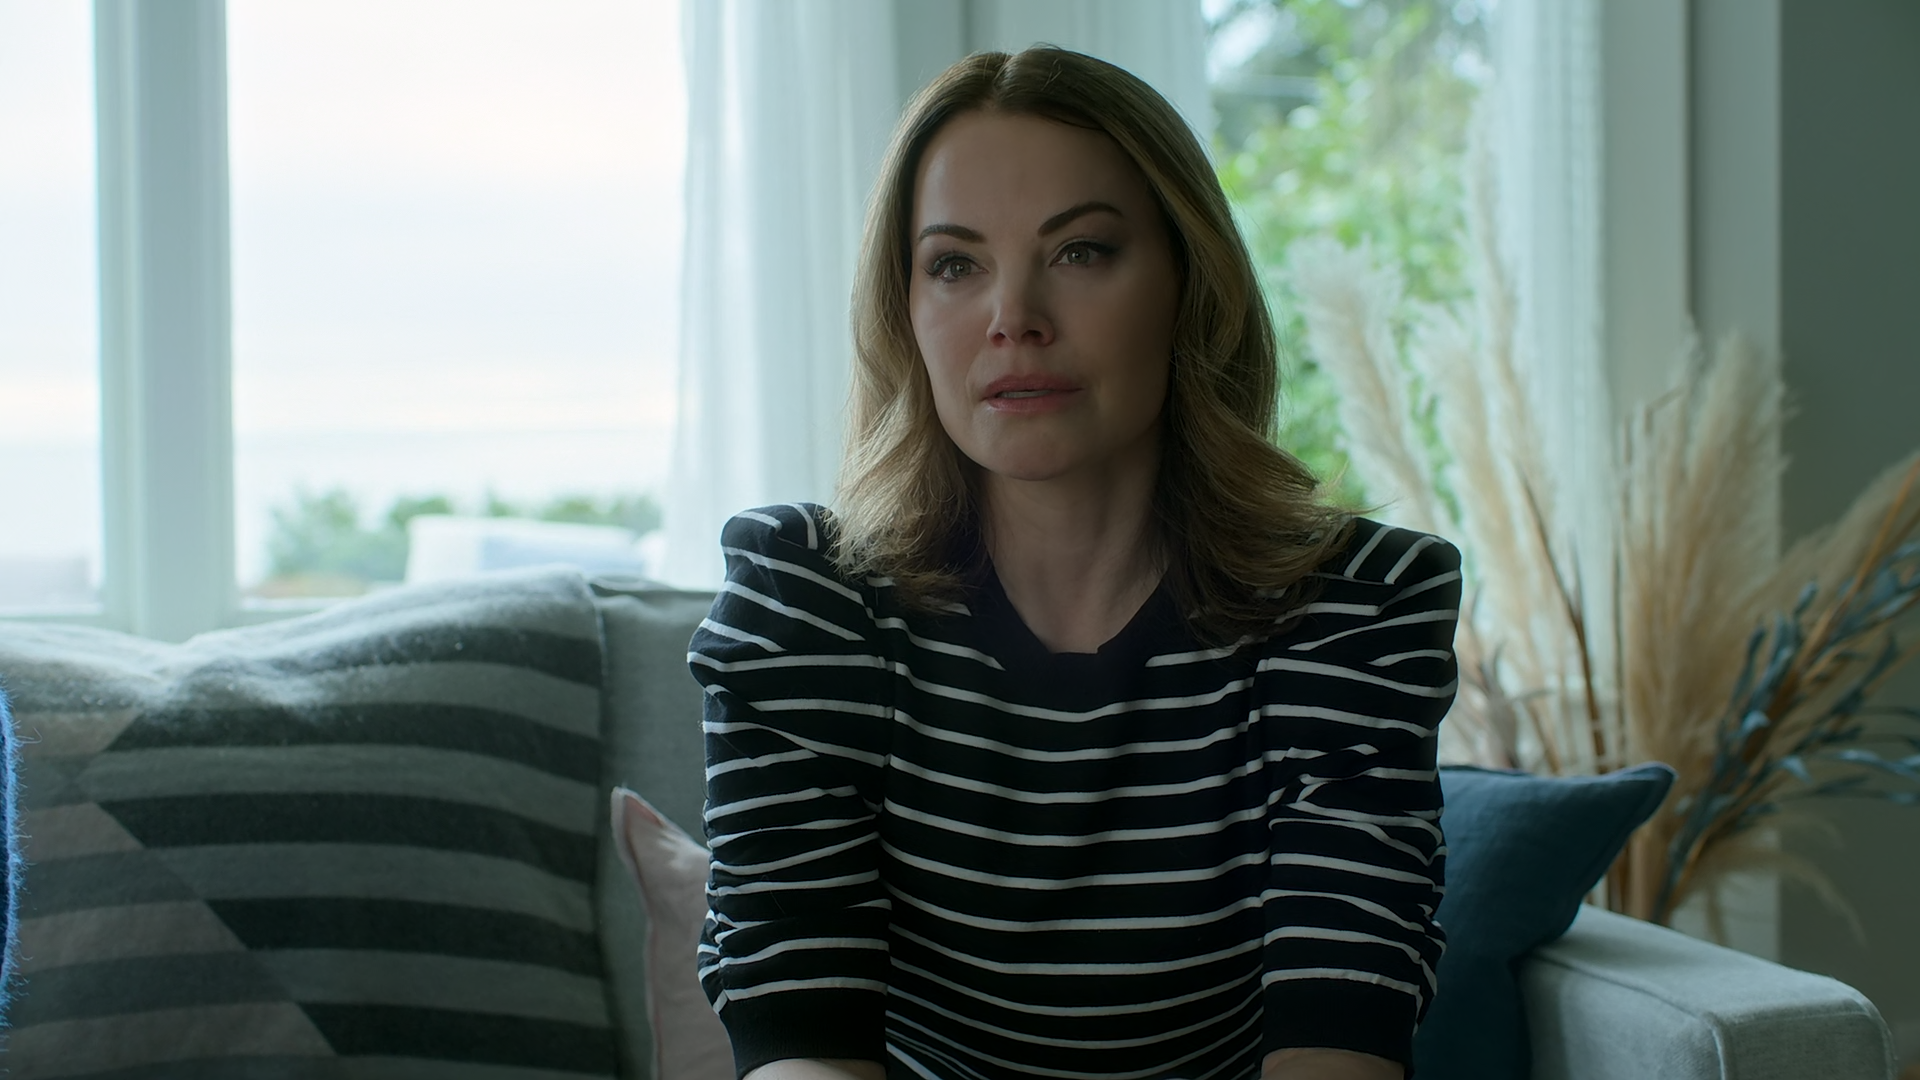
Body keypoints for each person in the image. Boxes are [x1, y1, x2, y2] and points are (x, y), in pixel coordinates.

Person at [689, 46, 1460, 1080]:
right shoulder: (804, 605)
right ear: (903, 308)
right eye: (954, 265)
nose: (1013, 318)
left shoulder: (1353, 610)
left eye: (1081, 251)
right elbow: (801, 1051)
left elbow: (1340, 1049)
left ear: (1191, 285)